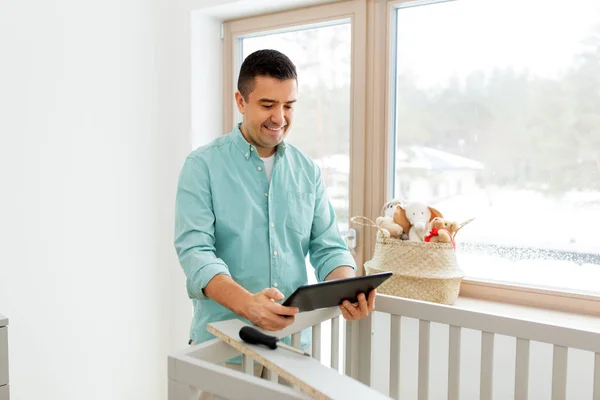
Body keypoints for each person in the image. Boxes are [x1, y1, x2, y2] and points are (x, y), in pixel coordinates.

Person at [173, 49, 376, 396]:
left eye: (289, 105)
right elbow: (196, 253)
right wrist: (247, 304)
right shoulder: (202, 166)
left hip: (291, 350)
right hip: (223, 350)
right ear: (241, 100)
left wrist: (348, 288)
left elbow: (327, 246)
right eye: (268, 105)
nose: (279, 117)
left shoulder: (307, 170)